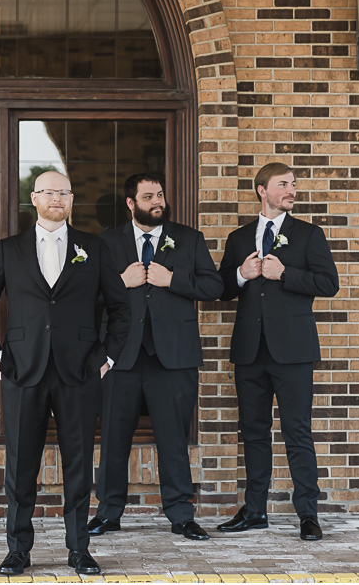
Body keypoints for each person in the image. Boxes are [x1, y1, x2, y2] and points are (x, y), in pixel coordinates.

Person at [0, 171, 130, 576]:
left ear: (71, 199)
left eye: (62, 192)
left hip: (79, 372)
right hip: (23, 370)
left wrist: (107, 358)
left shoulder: (93, 248)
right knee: (21, 465)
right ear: (34, 198)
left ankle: (79, 549)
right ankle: (18, 550)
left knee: (78, 467)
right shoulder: (10, 249)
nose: (55, 198)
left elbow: (121, 308)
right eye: (48, 192)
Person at [90, 173, 222, 541]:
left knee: (174, 440)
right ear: (131, 203)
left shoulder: (189, 239)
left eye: (160, 194)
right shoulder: (106, 243)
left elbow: (214, 286)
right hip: (120, 357)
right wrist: (122, 281)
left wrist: (172, 280)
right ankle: (108, 512)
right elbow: (85, 297)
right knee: (115, 438)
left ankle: (181, 515)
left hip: (174, 357)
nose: (157, 201)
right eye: (148, 196)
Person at [217, 162, 339, 541]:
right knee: (253, 433)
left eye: (293, 184)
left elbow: (328, 283)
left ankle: (308, 514)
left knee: (297, 432)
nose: (291, 190)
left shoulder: (308, 234)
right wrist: (242, 275)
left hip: (294, 351)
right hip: (250, 353)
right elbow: (222, 288)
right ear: (262, 191)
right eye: (283, 184)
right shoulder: (238, 238)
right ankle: (254, 511)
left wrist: (284, 273)